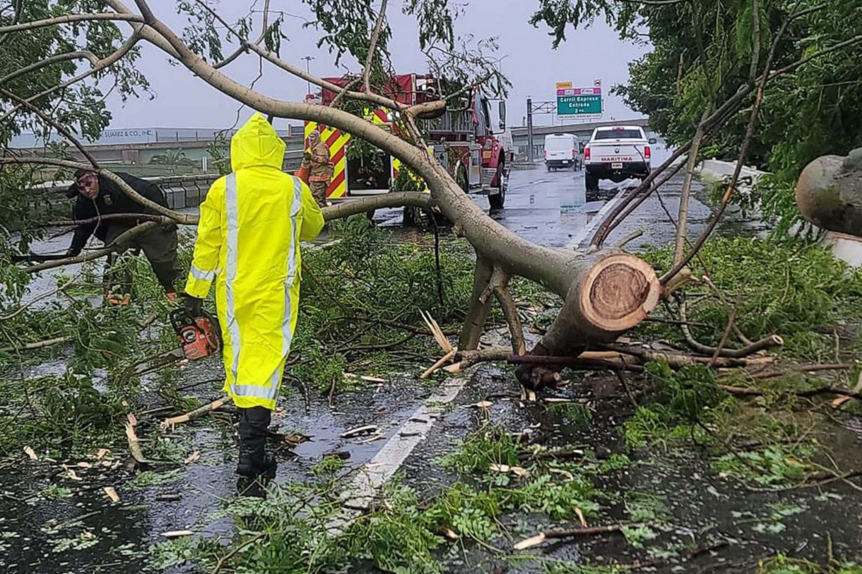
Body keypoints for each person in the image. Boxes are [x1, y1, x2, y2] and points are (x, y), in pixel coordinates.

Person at [182, 113, 325, 497]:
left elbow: (207, 245)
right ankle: (252, 454)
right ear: (275, 151)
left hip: (233, 292)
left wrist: (193, 292)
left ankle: (252, 450)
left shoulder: (222, 188)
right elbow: (314, 229)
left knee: (242, 362)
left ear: (238, 150)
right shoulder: (292, 189)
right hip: (277, 292)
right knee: (265, 364)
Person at [65, 169, 181, 303]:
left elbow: (151, 190)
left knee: (163, 261)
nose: (87, 190)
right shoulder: (83, 202)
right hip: (119, 226)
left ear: (96, 178)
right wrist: (74, 250)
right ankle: (117, 303)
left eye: (89, 184)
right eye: (82, 188)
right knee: (117, 264)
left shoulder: (118, 182)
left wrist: (164, 216)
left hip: (148, 219)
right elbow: (84, 228)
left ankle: (175, 296)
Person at [301, 130, 332, 207]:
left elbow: (325, 160)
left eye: (313, 137)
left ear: (317, 138)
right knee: (316, 198)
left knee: (318, 199)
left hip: (320, 177)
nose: (311, 139)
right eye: (309, 137)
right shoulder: (315, 147)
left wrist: (312, 157)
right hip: (315, 177)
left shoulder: (320, 147)